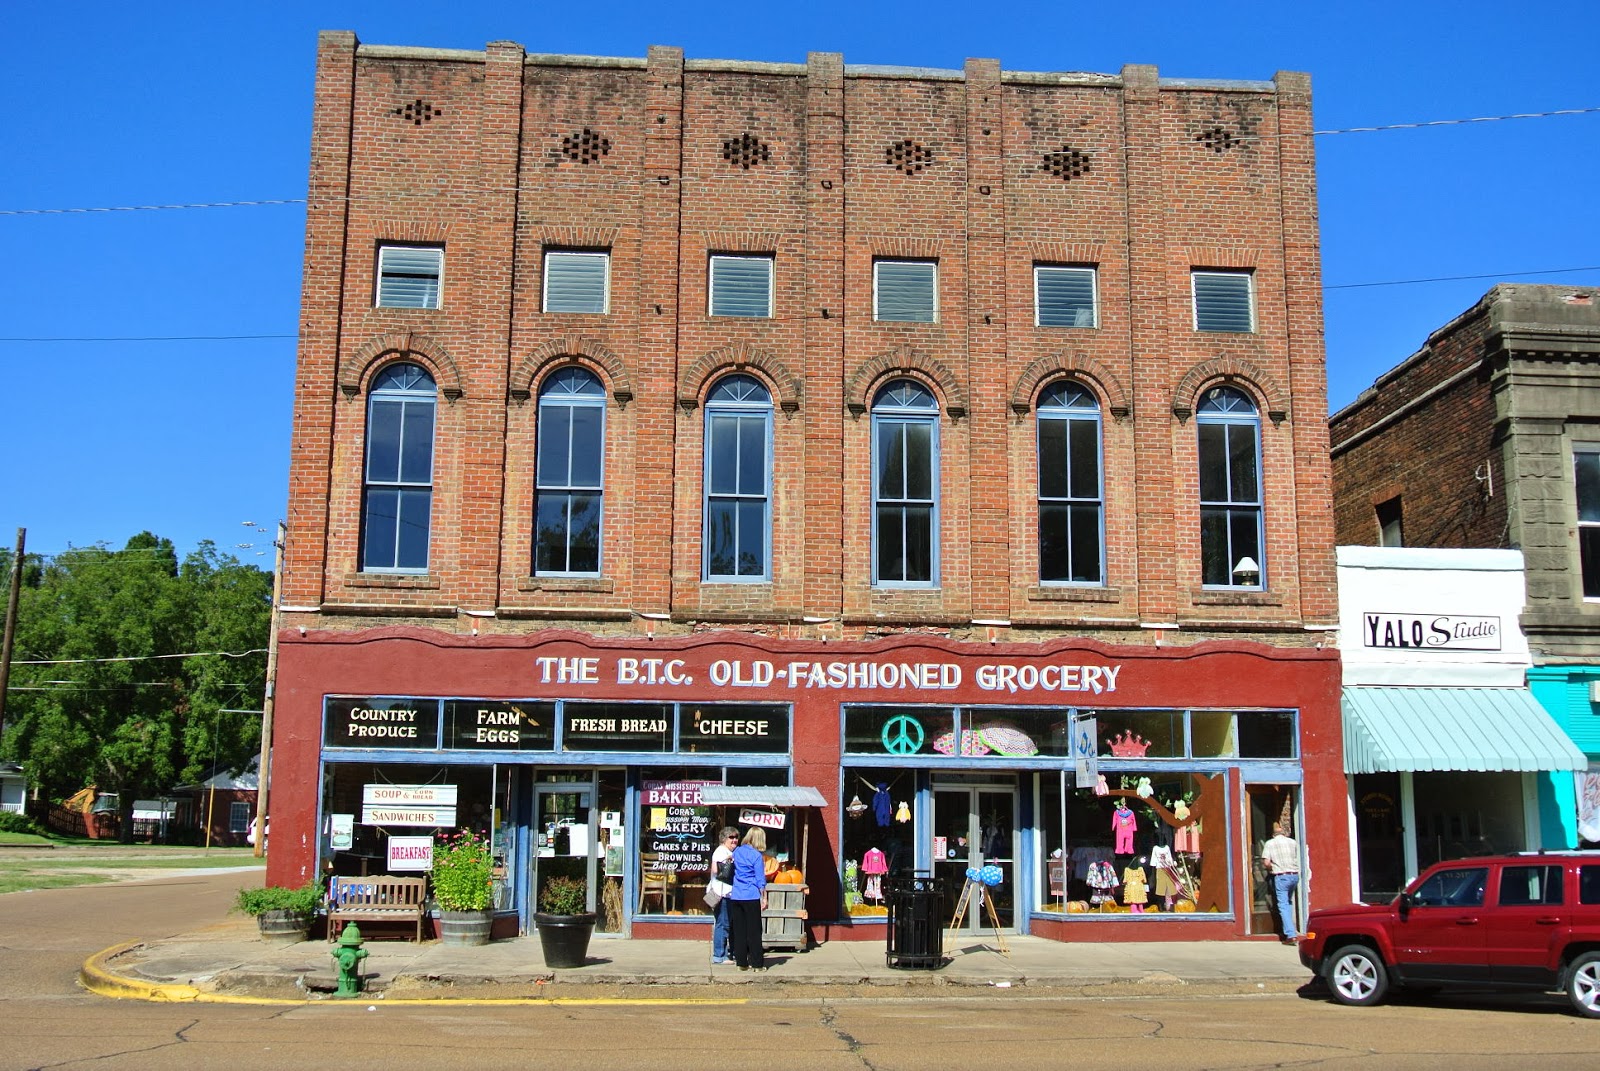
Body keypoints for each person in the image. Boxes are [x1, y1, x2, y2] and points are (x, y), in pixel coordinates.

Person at [727, 827, 769, 972]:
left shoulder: (737, 851)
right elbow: (760, 880)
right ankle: (757, 964)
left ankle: (741, 962)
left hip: (737, 895)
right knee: (754, 931)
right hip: (751, 895)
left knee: (739, 931)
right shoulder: (757, 856)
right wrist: (764, 897)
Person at [1261, 822, 1301, 943]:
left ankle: (1290, 934)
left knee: (1282, 905)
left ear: (1273, 834)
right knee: (1288, 903)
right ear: (1283, 833)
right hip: (1294, 875)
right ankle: (1289, 929)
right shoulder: (1292, 842)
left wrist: (1270, 868)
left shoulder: (1270, 843)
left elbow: (1266, 862)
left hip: (1281, 876)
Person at [708, 826, 739, 965]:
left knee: (728, 924)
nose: (734, 840)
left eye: (736, 837)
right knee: (723, 924)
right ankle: (719, 955)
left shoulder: (728, 851)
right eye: (731, 837)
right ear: (723, 839)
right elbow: (716, 869)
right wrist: (729, 861)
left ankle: (726, 954)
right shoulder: (721, 851)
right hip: (722, 893)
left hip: (728, 893)